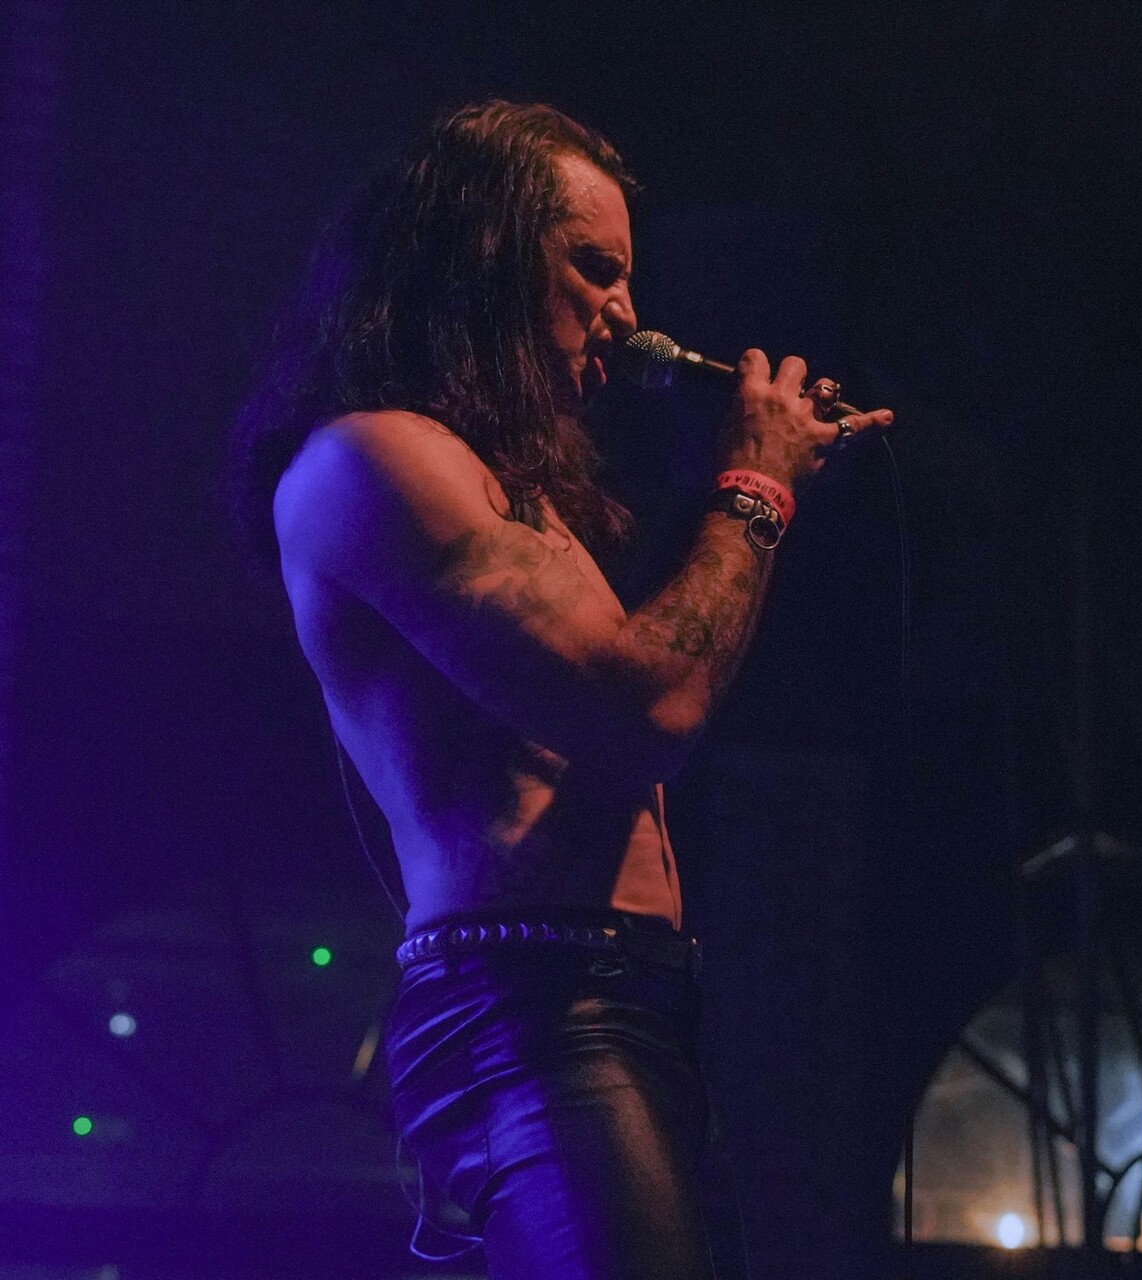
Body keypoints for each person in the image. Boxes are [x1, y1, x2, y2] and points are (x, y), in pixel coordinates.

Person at [228, 100, 890, 1278]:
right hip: (530, 1005)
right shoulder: (375, 458)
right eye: (594, 267)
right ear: (483, 252)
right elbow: (648, 706)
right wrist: (756, 487)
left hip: (624, 1000)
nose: (626, 313)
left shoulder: (504, 488)